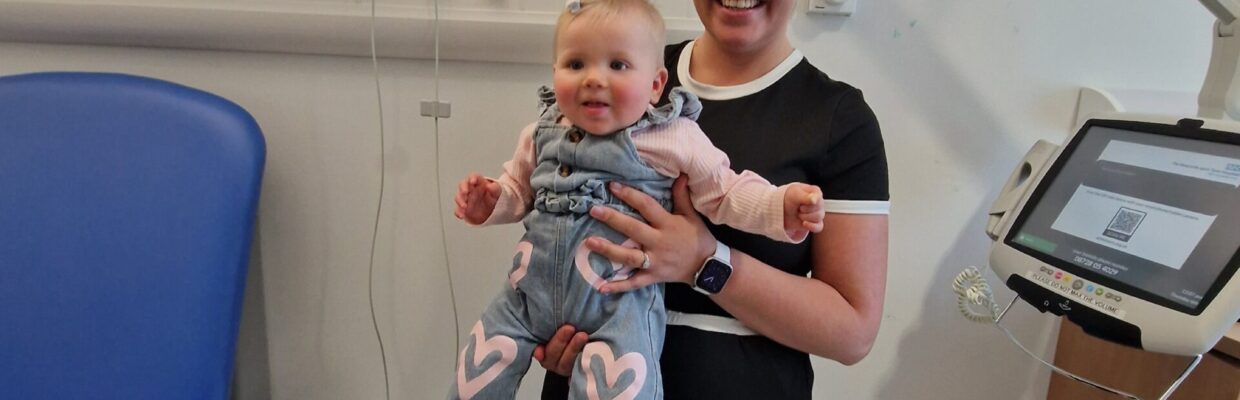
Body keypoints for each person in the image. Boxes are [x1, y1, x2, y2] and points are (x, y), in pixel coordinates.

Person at [448, 0, 830, 398]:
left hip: (619, 307)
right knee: (474, 374)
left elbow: (726, 191)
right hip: (526, 297)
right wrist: (490, 201)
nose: (593, 79)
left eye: (617, 66)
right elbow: (518, 190)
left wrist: (779, 206)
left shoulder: (670, 136)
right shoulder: (540, 132)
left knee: (623, 384)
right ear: (554, 71)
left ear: (655, 84)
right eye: (576, 64)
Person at [536, 0, 891, 398]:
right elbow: (552, 218)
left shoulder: (838, 119)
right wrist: (549, 327)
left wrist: (703, 262)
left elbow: (851, 333)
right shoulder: (621, 66)